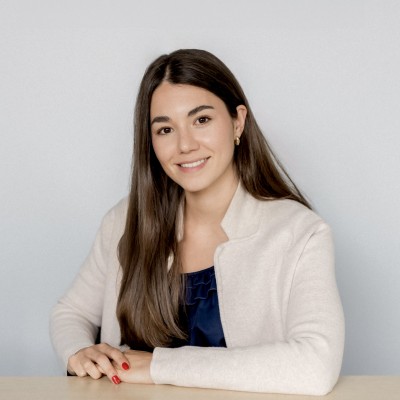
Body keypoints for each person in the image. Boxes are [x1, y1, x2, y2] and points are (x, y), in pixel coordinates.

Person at [50, 49, 345, 395]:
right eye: (165, 129)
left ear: (238, 122)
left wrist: (158, 367)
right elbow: (69, 312)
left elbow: (316, 366)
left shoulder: (300, 233)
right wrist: (77, 353)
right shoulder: (125, 221)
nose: (185, 145)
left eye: (201, 120)